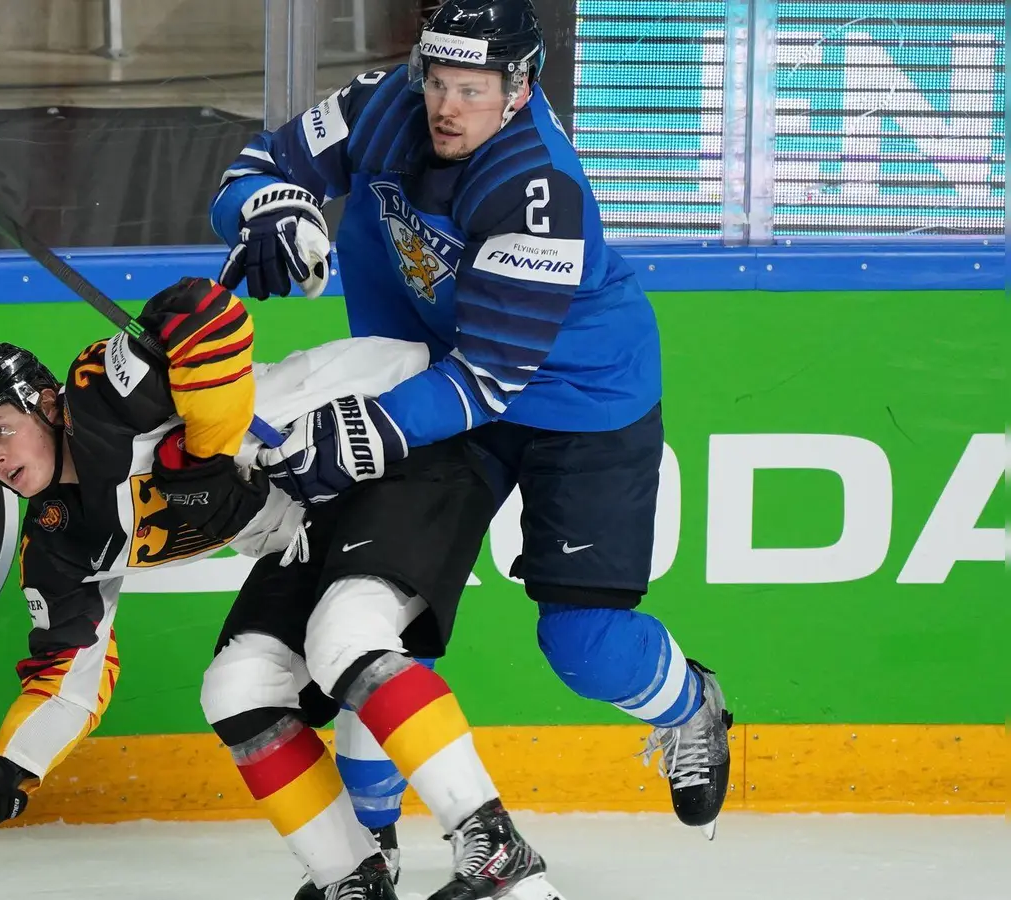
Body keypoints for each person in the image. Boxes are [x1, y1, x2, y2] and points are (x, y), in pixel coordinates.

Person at [209, 0, 735, 874]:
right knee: (367, 606)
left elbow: (491, 378)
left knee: (583, 642)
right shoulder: (386, 103)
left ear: (519, 90)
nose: (448, 108)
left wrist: (364, 430)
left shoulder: (538, 188)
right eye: (440, 83)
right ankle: (371, 838)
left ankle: (688, 704)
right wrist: (270, 210)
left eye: (474, 90)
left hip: (577, 401)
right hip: (429, 376)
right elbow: (261, 162)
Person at [0, 276, 504, 899]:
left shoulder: (101, 399)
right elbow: (66, 680)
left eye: (1, 430)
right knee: (239, 688)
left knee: (349, 645)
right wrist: (2, 770)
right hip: (315, 524)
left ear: (47, 404)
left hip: (396, 427)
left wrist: (207, 454)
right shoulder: (60, 543)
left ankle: (495, 849)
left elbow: (206, 311)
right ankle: (355, 875)